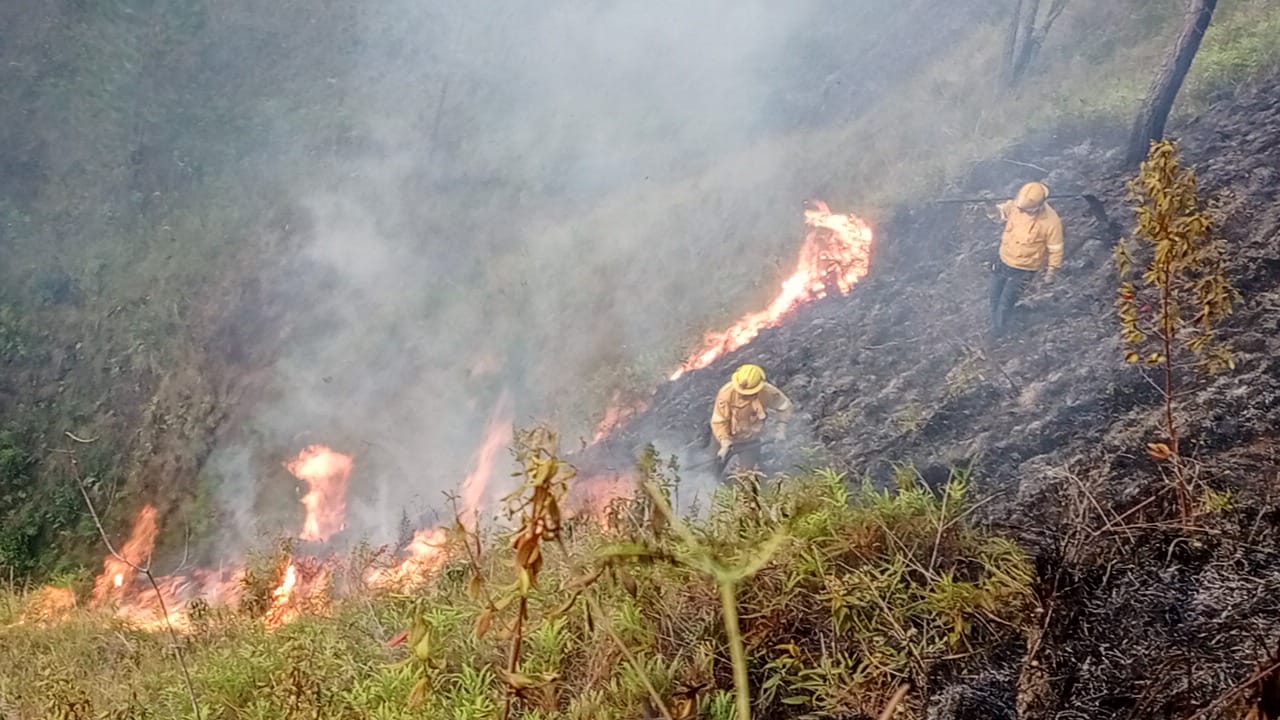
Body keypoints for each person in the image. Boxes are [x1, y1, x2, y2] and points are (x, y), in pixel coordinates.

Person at [989, 181, 1064, 337]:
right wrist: (991, 208)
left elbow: (1056, 249)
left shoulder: (1051, 222)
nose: (1023, 212)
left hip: (1024, 269)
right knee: (994, 297)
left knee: (1006, 303)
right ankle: (995, 325)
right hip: (1003, 260)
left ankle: (999, 335)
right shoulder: (1016, 206)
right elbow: (999, 213)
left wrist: (1052, 271)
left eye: (1027, 210)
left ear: (1039, 206)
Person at [710, 364, 794, 475]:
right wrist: (724, 442)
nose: (746, 395)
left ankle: (742, 483)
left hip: (750, 440)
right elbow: (719, 421)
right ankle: (712, 481)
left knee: (746, 473)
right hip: (725, 437)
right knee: (714, 467)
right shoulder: (726, 394)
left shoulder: (768, 392)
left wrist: (781, 428)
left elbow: (785, 407)